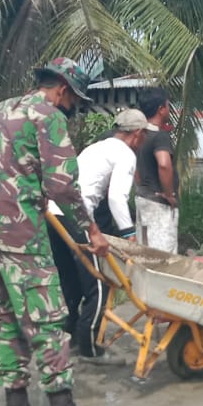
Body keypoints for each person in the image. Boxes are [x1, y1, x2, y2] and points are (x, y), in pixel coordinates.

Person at [0, 57, 113, 406]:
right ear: (63, 89)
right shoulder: (49, 116)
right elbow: (63, 185)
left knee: (8, 318)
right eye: (74, 102)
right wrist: (91, 230)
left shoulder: (1, 109)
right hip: (20, 231)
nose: (74, 109)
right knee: (48, 318)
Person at [49, 108, 155, 360]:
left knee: (71, 279)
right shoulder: (125, 154)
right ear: (137, 134)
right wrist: (129, 234)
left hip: (54, 214)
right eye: (144, 136)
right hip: (76, 215)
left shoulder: (96, 147)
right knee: (99, 284)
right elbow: (117, 198)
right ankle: (90, 346)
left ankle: (72, 334)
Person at [133, 88, 180, 253]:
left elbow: (134, 169)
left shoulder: (137, 135)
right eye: (167, 105)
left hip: (142, 198)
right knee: (163, 255)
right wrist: (169, 194)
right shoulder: (159, 136)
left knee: (145, 250)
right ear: (161, 109)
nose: (168, 109)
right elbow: (164, 164)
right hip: (159, 204)